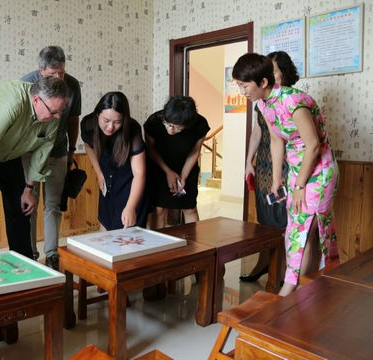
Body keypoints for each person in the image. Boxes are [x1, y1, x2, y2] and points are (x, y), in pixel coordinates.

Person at [232, 53, 339, 296]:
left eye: (244, 85)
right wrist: (277, 180)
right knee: (298, 229)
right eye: (239, 85)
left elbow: (313, 146)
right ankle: (306, 289)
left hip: (319, 170)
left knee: (304, 229)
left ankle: (292, 291)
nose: (242, 91)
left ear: (263, 82)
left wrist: (300, 185)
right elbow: (276, 140)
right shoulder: (263, 103)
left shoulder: (293, 101)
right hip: (296, 169)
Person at [0, 77, 69, 259]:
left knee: (20, 205)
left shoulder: (53, 114)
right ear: (36, 100)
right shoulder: (10, 104)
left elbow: (42, 151)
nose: (57, 117)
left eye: (60, 111)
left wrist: (29, 189)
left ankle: (23, 265)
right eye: (53, 112)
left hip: (9, 151)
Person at [21, 46, 81, 270]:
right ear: (41, 70)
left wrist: (72, 149)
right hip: (30, 151)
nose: (58, 78)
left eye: (61, 73)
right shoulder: (26, 84)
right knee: (30, 202)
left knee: (53, 204)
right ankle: (30, 252)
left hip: (58, 151)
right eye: (52, 73)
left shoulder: (72, 85)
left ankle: (52, 254)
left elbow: (73, 119)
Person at [241, 51, 297, 282]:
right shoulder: (261, 103)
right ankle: (264, 263)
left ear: (284, 73)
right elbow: (257, 133)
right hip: (264, 164)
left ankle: (281, 271)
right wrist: (249, 161)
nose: (270, 75)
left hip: (286, 165)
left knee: (284, 219)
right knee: (265, 217)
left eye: (273, 70)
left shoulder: (292, 100)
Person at [81, 91, 148, 230]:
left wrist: (131, 207)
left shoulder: (132, 129)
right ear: (97, 114)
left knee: (126, 233)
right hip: (108, 180)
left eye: (117, 122)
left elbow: (139, 174)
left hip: (129, 184)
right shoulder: (88, 124)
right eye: (106, 121)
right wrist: (99, 173)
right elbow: (88, 146)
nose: (110, 127)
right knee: (105, 225)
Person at [144, 96, 210, 227]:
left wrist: (184, 176)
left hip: (187, 167)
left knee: (189, 208)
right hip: (159, 167)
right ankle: (158, 241)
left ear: (188, 124)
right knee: (159, 209)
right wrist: (168, 172)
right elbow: (150, 149)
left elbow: (195, 151)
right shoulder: (154, 121)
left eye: (176, 127)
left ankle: (195, 240)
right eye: (167, 124)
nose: (170, 130)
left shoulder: (200, 124)